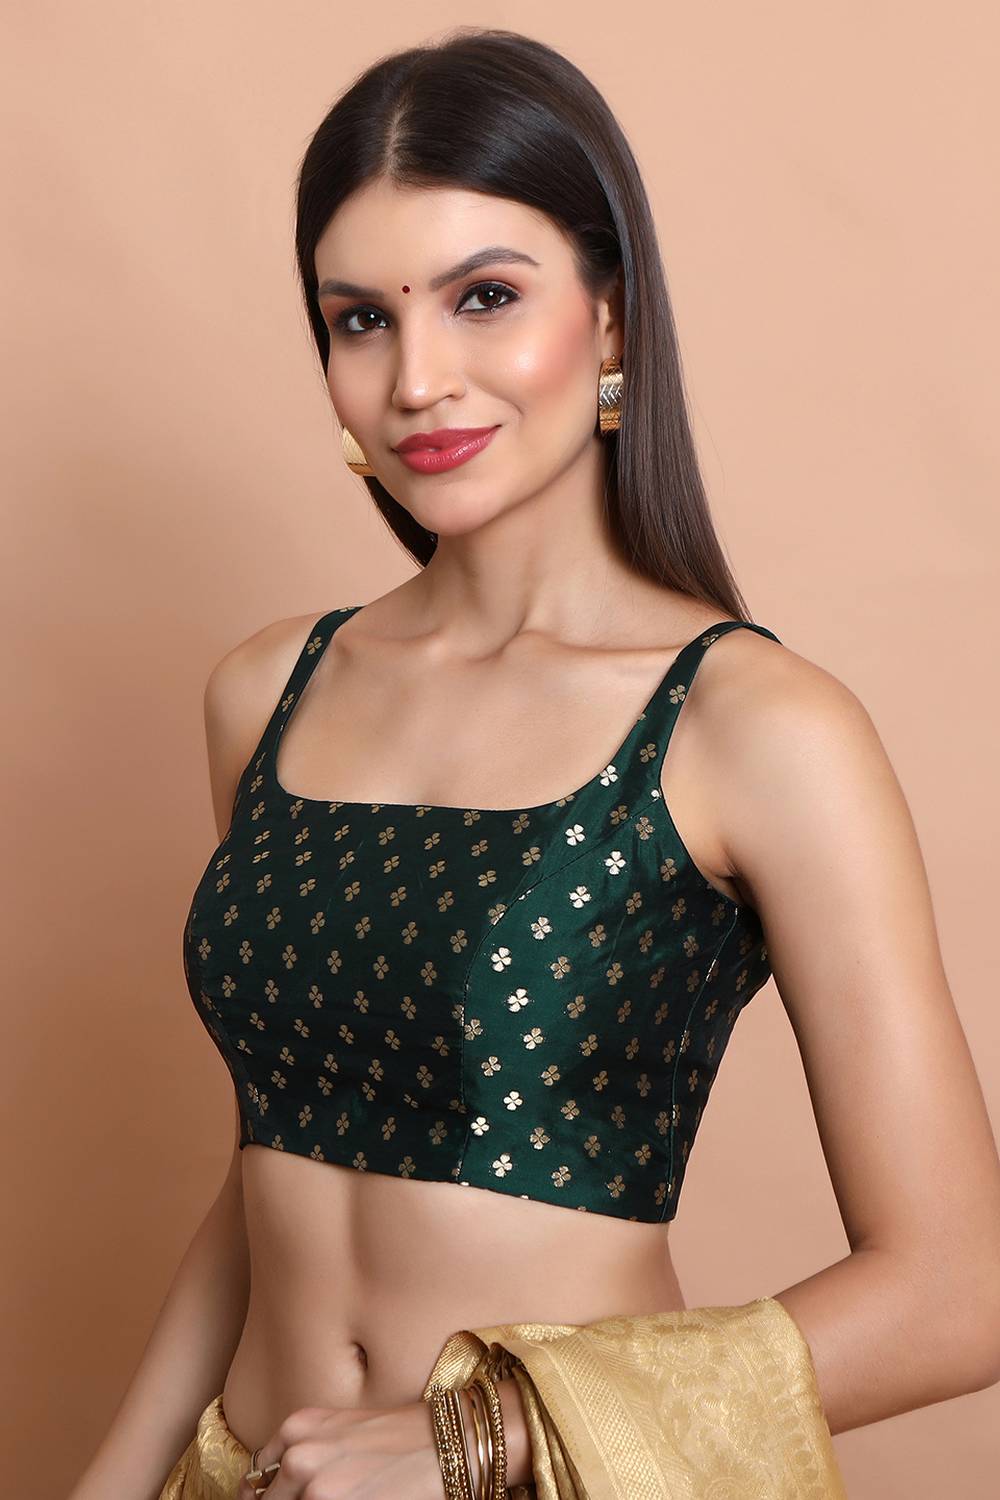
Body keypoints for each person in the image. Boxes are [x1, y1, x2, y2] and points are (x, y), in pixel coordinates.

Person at [70, 27, 1000, 1500]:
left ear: (611, 320)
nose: (417, 378)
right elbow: (272, 1175)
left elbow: (959, 1292)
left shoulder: (752, 727)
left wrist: (470, 1440)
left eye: (485, 298)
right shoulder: (268, 692)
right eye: (359, 320)